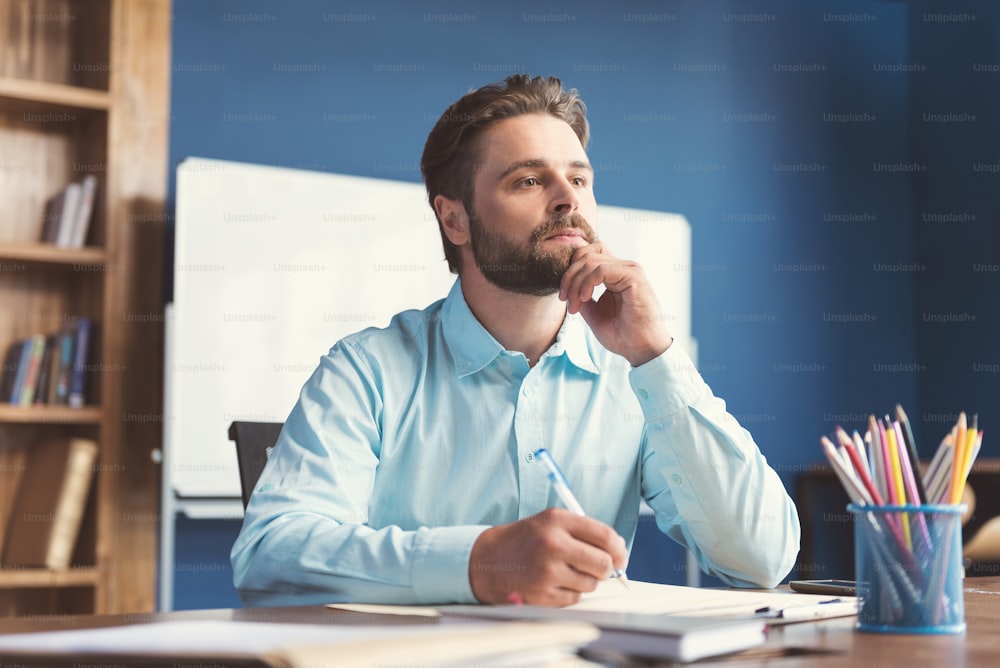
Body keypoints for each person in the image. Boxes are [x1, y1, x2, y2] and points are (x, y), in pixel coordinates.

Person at [231, 74, 800, 607]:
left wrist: (656, 355)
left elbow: (762, 559)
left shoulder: (634, 375)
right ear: (455, 221)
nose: (567, 199)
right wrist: (477, 563)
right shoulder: (367, 370)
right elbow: (269, 555)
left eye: (578, 179)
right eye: (528, 180)